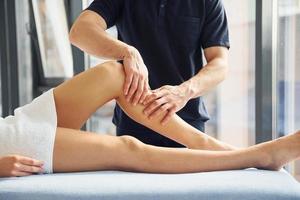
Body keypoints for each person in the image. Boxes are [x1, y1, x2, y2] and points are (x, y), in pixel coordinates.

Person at [0, 61, 299, 178]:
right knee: (128, 147)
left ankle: (208, 144)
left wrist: (127, 51)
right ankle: (259, 156)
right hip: (7, 146)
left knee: (115, 74)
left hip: (11, 124)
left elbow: (221, 58)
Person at [69, 0, 231, 148]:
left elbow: (220, 63)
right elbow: (80, 31)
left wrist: (183, 92)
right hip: (133, 124)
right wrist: (128, 52)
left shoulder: (208, 2)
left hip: (188, 123)